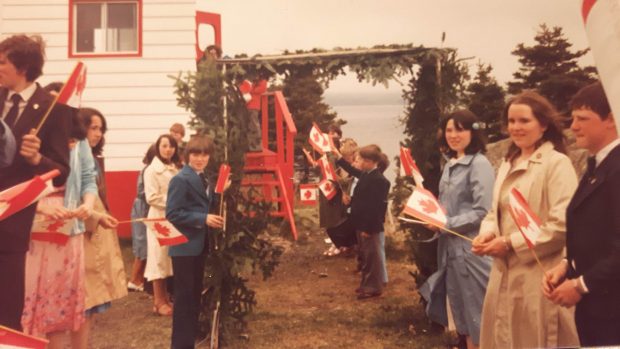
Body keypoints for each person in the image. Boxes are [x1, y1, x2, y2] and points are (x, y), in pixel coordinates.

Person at [471, 91, 579, 348]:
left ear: (543, 125)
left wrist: (509, 243)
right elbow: (494, 212)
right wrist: (487, 233)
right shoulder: (508, 163)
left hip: (538, 276)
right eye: (511, 121)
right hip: (502, 275)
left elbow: (562, 225)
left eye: (524, 121)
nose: (516, 128)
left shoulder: (557, 164)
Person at [0, 34, 72, 330]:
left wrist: (36, 160)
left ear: (23, 66)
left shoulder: (53, 110)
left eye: (2, 61)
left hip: (11, 224)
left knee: (6, 311)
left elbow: (62, 170)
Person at [543, 82, 620, 346]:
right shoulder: (597, 165)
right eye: (573, 118)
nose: (573, 126)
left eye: (583, 119)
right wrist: (567, 265)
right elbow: (593, 232)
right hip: (597, 310)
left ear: (611, 119)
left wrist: (581, 285)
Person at [21, 112, 100, 348]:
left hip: (69, 226)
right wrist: (39, 207)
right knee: (28, 300)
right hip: (32, 225)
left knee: (56, 306)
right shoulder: (29, 140)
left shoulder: (80, 141)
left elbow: (88, 178)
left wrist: (87, 204)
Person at [419, 110, 494, 349]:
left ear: (473, 131)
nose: (453, 135)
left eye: (460, 129)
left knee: (479, 312)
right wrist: (431, 214)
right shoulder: (451, 164)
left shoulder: (479, 164)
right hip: (450, 249)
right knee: (461, 313)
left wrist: (445, 224)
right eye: (449, 130)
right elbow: (446, 206)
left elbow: (483, 210)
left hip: (472, 249)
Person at [166, 135, 226, 349]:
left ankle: (187, 343)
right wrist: (202, 219)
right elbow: (172, 213)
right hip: (184, 248)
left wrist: (219, 193)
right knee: (183, 301)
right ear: (187, 156)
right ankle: (180, 345)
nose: (200, 159)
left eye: (204, 154)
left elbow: (205, 204)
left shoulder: (204, 178)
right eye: (195, 154)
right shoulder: (180, 179)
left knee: (193, 298)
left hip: (199, 246)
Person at [78, 108, 127, 348]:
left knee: (94, 303)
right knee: (86, 299)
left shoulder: (94, 158)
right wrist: (95, 217)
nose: (97, 133)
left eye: (101, 129)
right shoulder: (73, 156)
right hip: (82, 234)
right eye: (93, 127)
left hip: (96, 228)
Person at [336, 144, 390, 299]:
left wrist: (369, 228)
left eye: (361, 159)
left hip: (369, 226)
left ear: (370, 161)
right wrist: (351, 201)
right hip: (360, 223)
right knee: (366, 257)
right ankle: (366, 284)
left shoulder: (380, 181)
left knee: (372, 258)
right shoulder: (367, 175)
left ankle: (374, 288)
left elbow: (376, 208)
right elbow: (362, 200)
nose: (358, 162)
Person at [144, 134, 182, 316]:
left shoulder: (176, 168)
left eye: (171, 146)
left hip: (172, 218)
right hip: (159, 218)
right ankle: (158, 301)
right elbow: (151, 197)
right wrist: (174, 202)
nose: (168, 149)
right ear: (158, 147)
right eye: (164, 146)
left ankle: (166, 298)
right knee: (158, 259)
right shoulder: (151, 170)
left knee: (168, 259)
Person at [128, 145, 156, 292]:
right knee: (142, 244)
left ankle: (139, 279)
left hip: (144, 207)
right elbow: (145, 192)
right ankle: (133, 279)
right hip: (142, 208)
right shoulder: (148, 170)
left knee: (146, 244)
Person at [238, 75, 267, 151]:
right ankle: (248, 146)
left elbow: (261, 89)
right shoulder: (245, 80)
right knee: (245, 126)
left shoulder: (261, 80)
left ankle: (256, 147)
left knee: (254, 126)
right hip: (244, 106)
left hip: (253, 106)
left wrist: (249, 89)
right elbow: (241, 89)